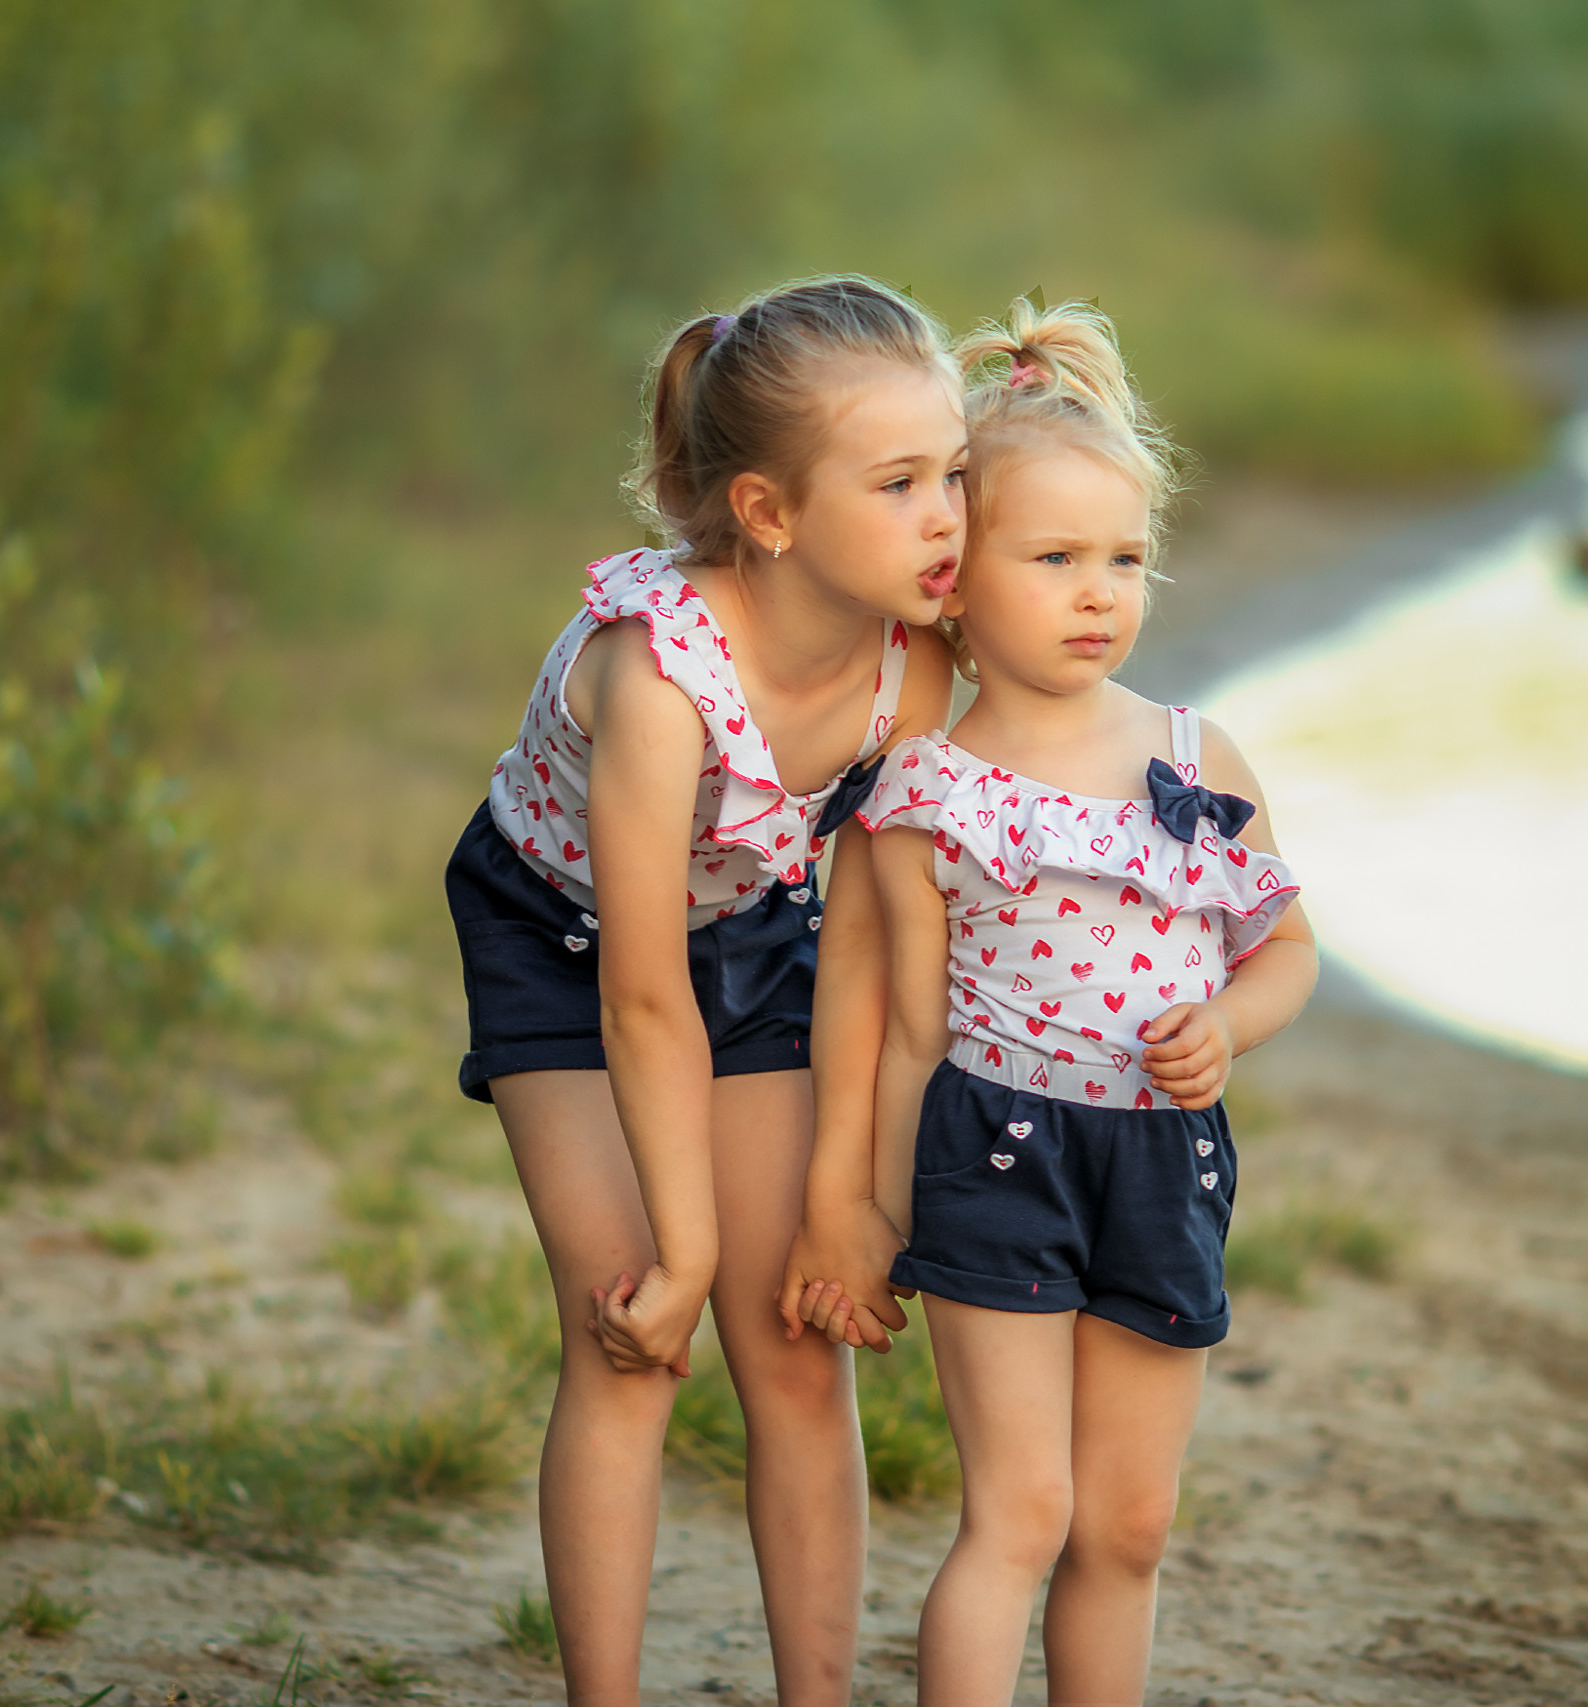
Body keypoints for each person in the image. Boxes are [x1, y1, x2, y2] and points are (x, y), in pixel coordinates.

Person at [786, 298, 1319, 1706]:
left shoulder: (1201, 753)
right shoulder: (924, 792)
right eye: (1058, 559)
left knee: (1129, 1524)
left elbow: (1286, 948)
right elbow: (900, 1024)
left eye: (1127, 560)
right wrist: (863, 1201)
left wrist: (1232, 1026)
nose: (1102, 593)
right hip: (998, 1153)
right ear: (956, 581)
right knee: (1021, 1512)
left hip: (1164, 1159)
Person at [444, 275, 964, 1706]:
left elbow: (870, 942)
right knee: (627, 1328)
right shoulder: (658, 681)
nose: (946, 519)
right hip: (566, 939)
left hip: (764, 925)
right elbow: (642, 1003)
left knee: (793, 1336)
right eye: (903, 481)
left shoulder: (905, 670)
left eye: (956, 476)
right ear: (769, 512)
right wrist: (679, 1250)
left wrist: (848, 1203)